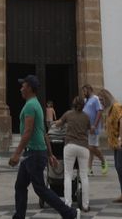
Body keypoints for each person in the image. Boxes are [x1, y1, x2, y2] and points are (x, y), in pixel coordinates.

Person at [8, 75, 77, 219]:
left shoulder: (30, 106)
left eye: (23, 86)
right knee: (20, 186)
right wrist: (50, 154)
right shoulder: (36, 104)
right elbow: (43, 132)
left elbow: (28, 132)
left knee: (40, 188)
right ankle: (19, 216)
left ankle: (69, 213)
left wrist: (16, 154)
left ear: (29, 88)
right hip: (34, 152)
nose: (21, 89)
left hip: (33, 153)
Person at [52, 94, 92, 213]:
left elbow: (58, 124)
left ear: (73, 104)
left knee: (68, 175)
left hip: (70, 145)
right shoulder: (86, 116)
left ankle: (68, 204)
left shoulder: (68, 114)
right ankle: (85, 205)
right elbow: (89, 129)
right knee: (84, 175)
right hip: (83, 146)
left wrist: (55, 123)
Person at [81, 85, 106, 175]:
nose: (84, 93)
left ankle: (103, 160)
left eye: (85, 91)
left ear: (89, 90)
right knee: (90, 148)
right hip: (86, 128)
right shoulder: (85, 100)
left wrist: (94, 126)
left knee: (91, 147)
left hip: (93, 128)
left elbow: (99, 111)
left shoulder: (95, 99)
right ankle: (89, 168)